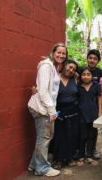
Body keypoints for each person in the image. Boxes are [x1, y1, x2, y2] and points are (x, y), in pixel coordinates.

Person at [27, 43, 67, 177]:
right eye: (59, 52)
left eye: (63, 53)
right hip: (42, 108)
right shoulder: (46, 66)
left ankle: (34, 164)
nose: (61, 55)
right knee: (44, 138)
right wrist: (51, 110)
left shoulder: (53, 67)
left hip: (46, 107)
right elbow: (43, 91)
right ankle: (42, 168)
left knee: (45, 137)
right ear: (53, 52)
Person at [52, 60, 79, 169]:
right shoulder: (55, 78)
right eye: (70, 67)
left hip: (73, 111)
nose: (71, 70)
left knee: (71, 135)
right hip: (59, 111)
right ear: (64, 65)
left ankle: (69, 158)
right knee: (59, 135)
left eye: (74, 69)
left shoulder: (75, 79)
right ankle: (58, 159)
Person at [76, 67, 102, 167]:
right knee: (82, 135)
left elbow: (99, 98)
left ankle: (89, 156)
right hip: (81, 114)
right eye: (83, 74)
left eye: (88, 74)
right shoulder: (78, 86)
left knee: (92, 135)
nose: (86, 76)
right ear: (80, 76)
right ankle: (81, 156)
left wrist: (100, 111)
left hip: (93, 114)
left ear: (92, 76)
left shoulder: (96, 86)